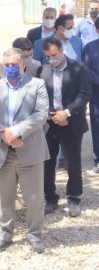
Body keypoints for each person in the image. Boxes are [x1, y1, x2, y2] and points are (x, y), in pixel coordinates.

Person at [0, 48, 50, 254]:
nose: (10, 68)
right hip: (3, 150)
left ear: (23, 65)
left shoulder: (37, 85)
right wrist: (4, 135)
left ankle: (35, 234)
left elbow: (41, 114)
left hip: (29, 149)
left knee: (34, 197)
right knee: (5, 196)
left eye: (14, 65)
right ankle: (5, 234)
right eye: (7, 65)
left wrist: (17, 132)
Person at [37, 38, 92, 217]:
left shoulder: (78, 68)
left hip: (71, 122)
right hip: (50, 124)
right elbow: (38, 96)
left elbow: (85, 93)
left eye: (54, 55)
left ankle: (74, 197)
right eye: (48, 56)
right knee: (47, 162)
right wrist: (50, 115)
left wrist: (67, 113)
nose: (52, 59)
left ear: (61, 50)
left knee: (73, 162)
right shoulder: (43, 70)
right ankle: (50, 198)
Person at [83, 17, 99, 173]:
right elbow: (86, 69)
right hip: (97, 94)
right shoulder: (89, 48)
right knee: (97, 126)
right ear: (97, 31)